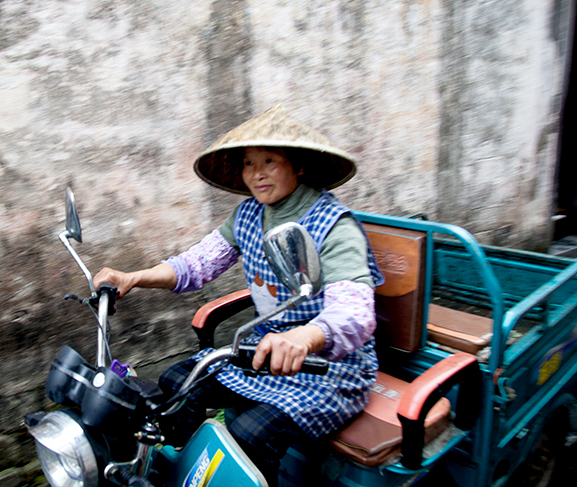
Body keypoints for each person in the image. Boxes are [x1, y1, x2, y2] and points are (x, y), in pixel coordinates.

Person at [94, 104, 383, 485]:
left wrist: (305, 337)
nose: (257, 173)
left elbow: (355, 314)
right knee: (175, 385)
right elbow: (196, 264)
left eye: (269, 161)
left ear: (298, 165)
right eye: (249, 163)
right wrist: (134, 277)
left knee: (251, 435)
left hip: (330, 368)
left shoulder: (334, 224)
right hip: (264, 350)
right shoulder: (248, 215)